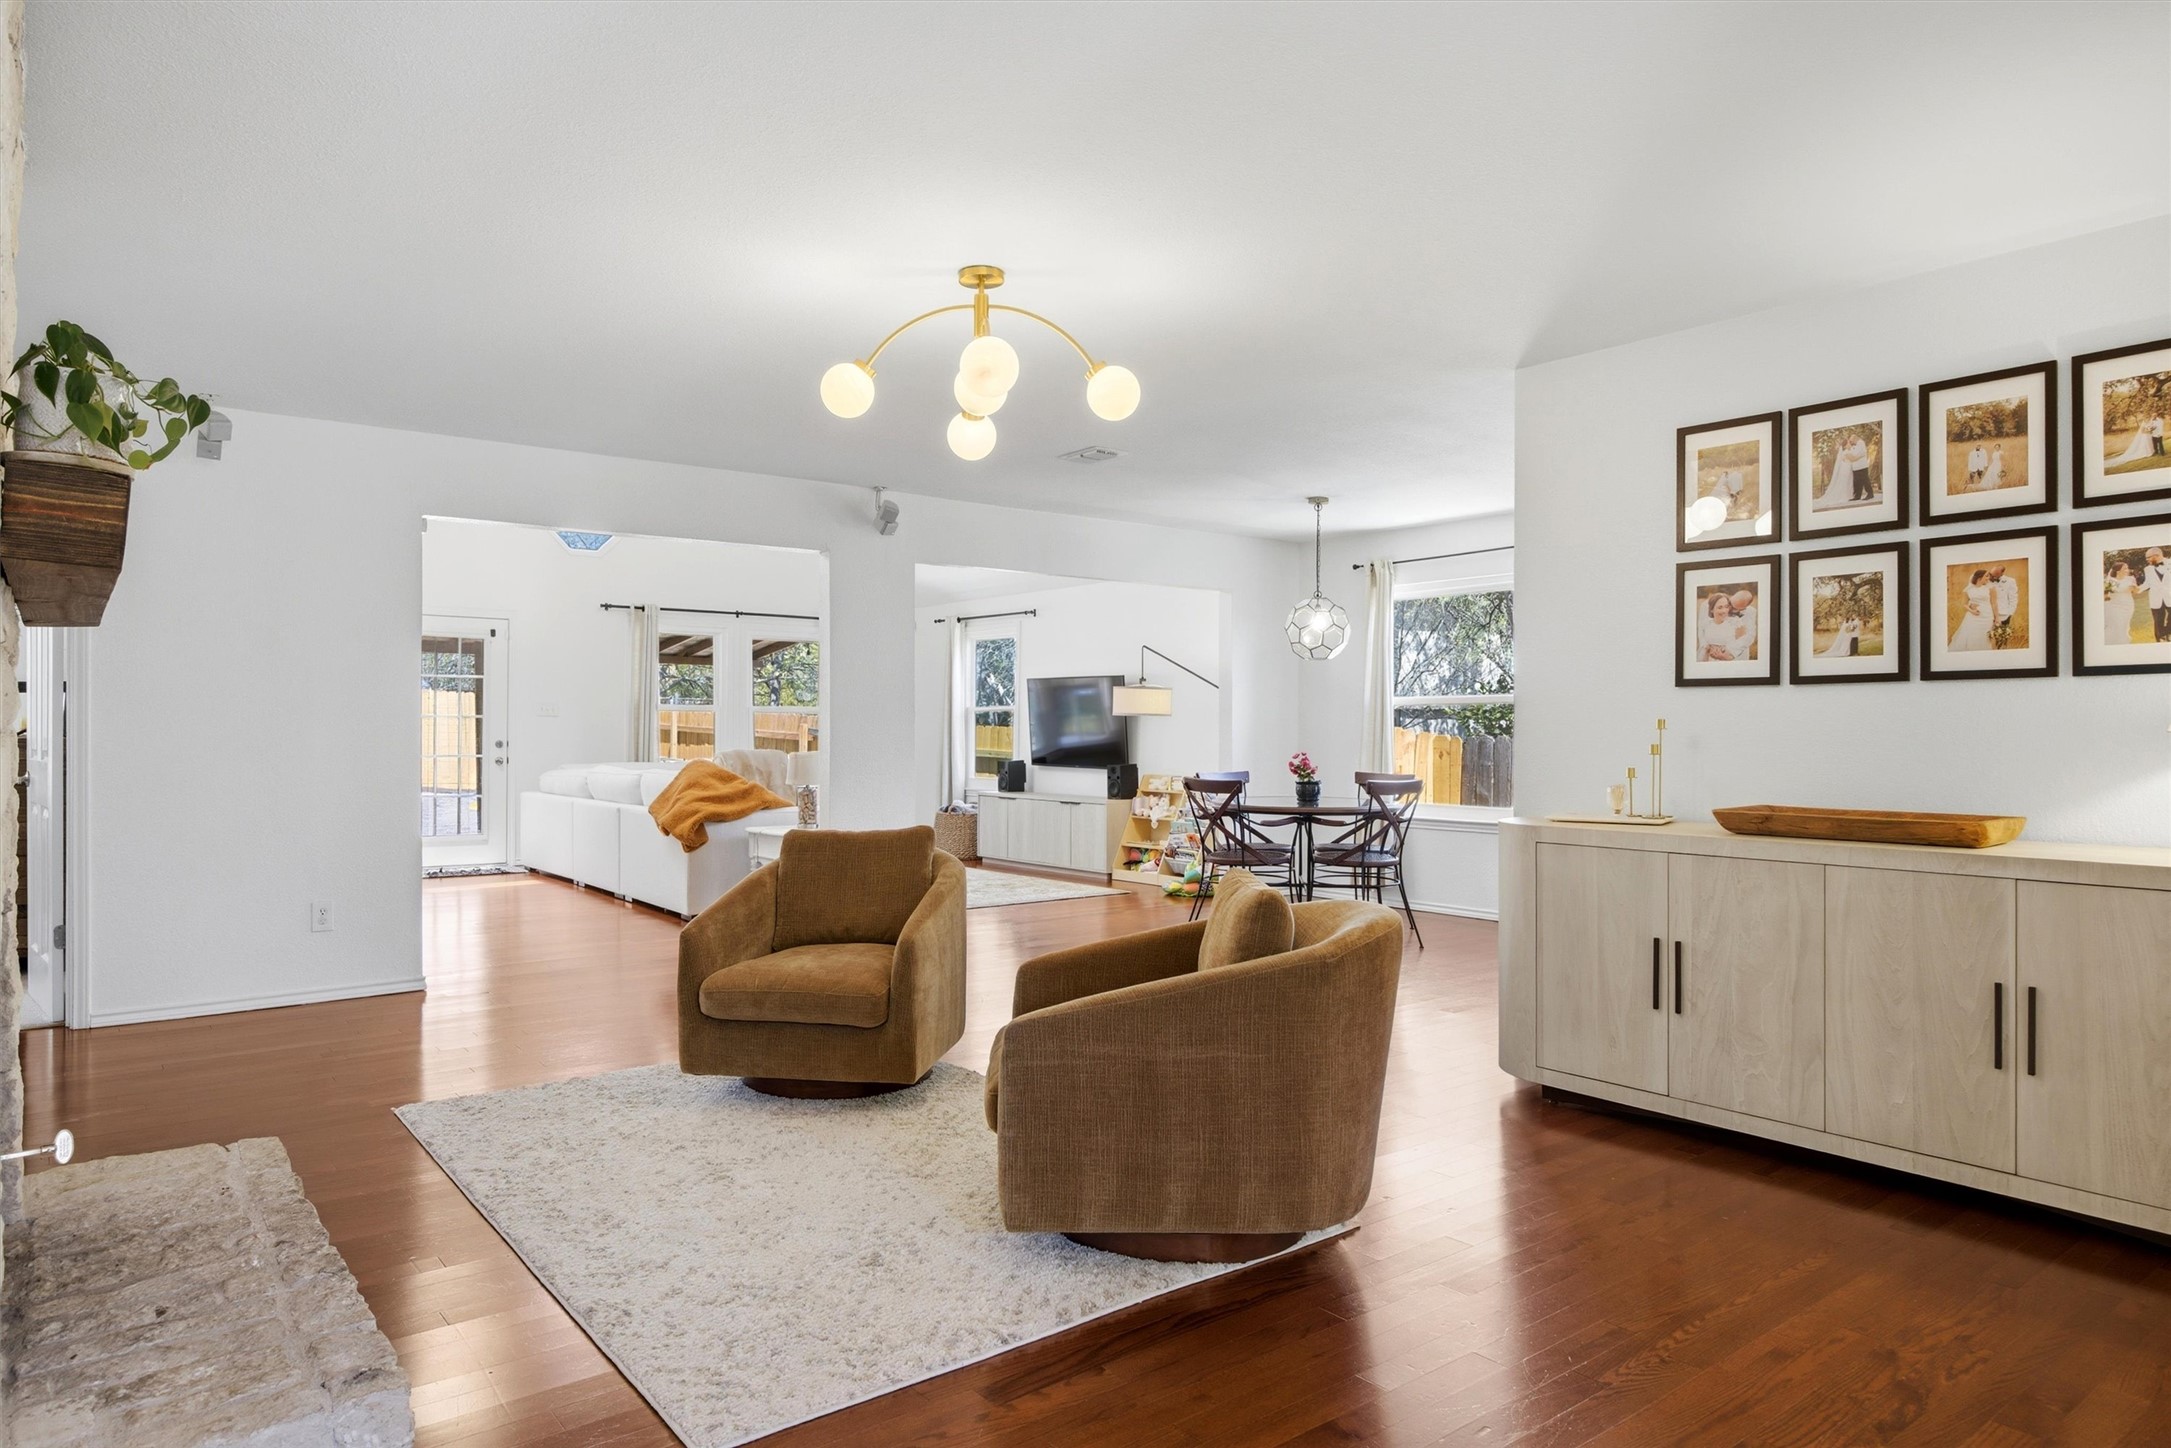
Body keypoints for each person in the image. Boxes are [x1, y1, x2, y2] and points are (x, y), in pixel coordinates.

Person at [1699, 589, 1757, 661]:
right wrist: (1706, 646)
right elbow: (1701, 628)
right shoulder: (1706, 605)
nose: (1728, 609)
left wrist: (1729, 654)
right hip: (1710, 652)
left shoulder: (1751, 612)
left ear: (1743, 608)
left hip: (1736, 654)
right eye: (1730, 603)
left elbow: (1749, 636)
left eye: (1734, 608)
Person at [1950, 568, 1995, 651]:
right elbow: (1964, 604)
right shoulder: (1968, 590)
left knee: (1985, 636)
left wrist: (1997, 618)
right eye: (1986, 576)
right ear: (1979, 578)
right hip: (1973, 617)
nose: (1988, 578)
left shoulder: (1990, 588)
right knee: (1971, 634)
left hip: (1987, 616)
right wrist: (1972, 611)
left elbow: (1994, 603)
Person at [2105, 560, 2142, 647]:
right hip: (2114, 605)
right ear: (2118, 570)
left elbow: (2136, 592)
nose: (2128, 570)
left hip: (2128, 605)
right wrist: (2120, 591)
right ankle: (2116, 643)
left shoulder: (2131, 579)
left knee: (2125, 624)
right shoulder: (2111, 580)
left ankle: (2123, 642)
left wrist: (2135, 587)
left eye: (2127, 568)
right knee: (2117, 624)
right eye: (2125, 568)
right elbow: (2106, 594)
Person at [1989, 565, 2019, 649]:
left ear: (2002, 573)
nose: (1993, 577)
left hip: (2004, 613)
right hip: (1989, 612)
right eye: (1992, 574)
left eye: (1995, 575)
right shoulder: (1987, 580)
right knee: (1988, 635)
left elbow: (2013, 598)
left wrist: (2010, 612)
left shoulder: (2010, 581)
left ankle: (2001, 653)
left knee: (2002, 636)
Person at [2146, 547, 2171, 642]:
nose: (2147, 560)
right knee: (2158, 621)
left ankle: (2167, 633)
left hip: (2170, 596)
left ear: (2157, 555)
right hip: (2156, 597)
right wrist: (2136, 590)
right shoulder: (2147, 569)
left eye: (2148, 557)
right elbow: (2147, 583)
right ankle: (2160, 640)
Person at [1846, 434, 1875, 500]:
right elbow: (1854, 454)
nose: (1851, 442)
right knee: (1856, 482)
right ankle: (1857, 496)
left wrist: (1852, 453)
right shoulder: (1855, 445)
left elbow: (1857, 453)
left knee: (1865, 480)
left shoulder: (1861, 443)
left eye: (1851, 441)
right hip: (1856, 467)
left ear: (1855, 438)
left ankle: (1870, 494)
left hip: (1862, 466)